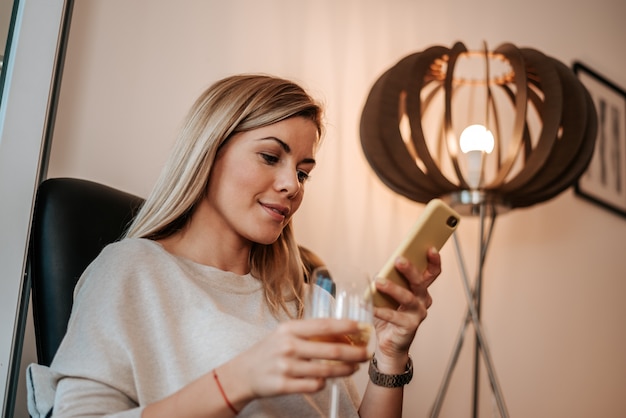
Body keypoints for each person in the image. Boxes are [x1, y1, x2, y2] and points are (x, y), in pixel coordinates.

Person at [26, 74, 442, 417]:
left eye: (303, 172)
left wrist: (389, 358)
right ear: (209, 151)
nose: (292, 185)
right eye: (269, 157)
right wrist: (239, 379)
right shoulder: (131, 272)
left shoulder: (306, 299)